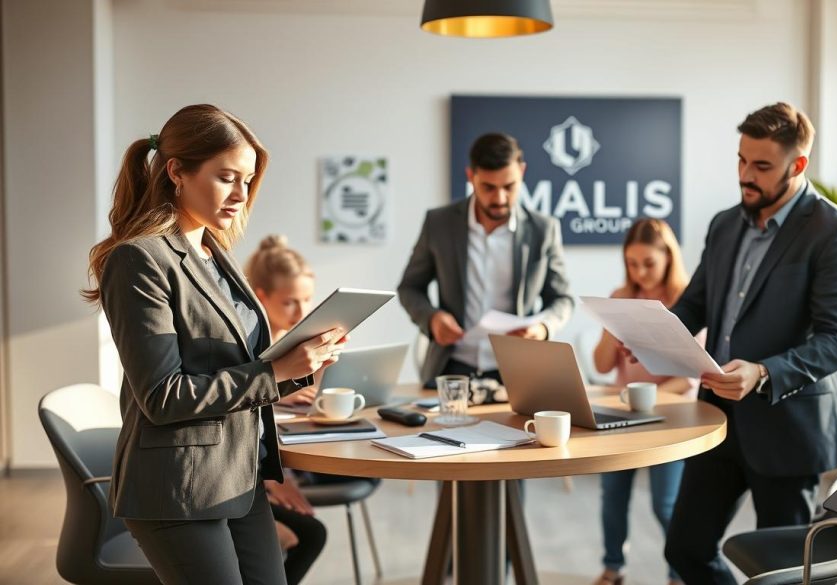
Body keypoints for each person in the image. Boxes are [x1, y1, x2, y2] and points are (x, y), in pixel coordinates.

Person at [84, 104, 345, 585]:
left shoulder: (213, 252)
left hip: (237, 478)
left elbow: (234, 364)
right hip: (177, 488)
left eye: (247, 181)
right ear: (176, 171)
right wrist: (277, 372)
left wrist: (304, 361)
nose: (241, 195)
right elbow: (163, 398)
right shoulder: (137, 260)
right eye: (227, 178)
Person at [656, 102, 837, 584]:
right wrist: (653, 331)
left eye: (761, 166)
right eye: (740, 160)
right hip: (717, 417)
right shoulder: (725, 224)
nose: (745, 176)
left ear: (798, 165)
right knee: (685, 547)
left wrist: (764, 372)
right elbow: (695, 305)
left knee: (786, 570)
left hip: (788, 424)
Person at [397, 132, 574, 384]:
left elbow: (563, 299)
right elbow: (409, 287)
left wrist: (543, 328)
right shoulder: (438, 223)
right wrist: (432, 318)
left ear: (521, 172)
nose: (500, 199)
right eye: (489, 187)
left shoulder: (543, 229)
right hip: (451, 368)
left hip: (518, 370)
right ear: (471, 176)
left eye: (509, 187)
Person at [591, 219, 697, 585]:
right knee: (612, 496)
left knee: (665, 504)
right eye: (632, 263)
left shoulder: (689, 300)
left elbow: (694, 373)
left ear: (668, 256)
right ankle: (612, 567)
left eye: (648, 263)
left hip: (672, 417)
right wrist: (612, 320)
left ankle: (678, 573)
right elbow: (602, 365)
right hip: (623, 414)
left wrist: (655, 396)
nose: (640, 272)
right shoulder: (622, 296)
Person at [245, 234, 327, 585]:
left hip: (285, 454)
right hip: (256, 463)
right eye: (291, 302)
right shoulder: (250, 346)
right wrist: (277, 390)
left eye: (307, 301)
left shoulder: (301, 345)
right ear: (261, 296)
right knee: (310, 534)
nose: (302, 313)